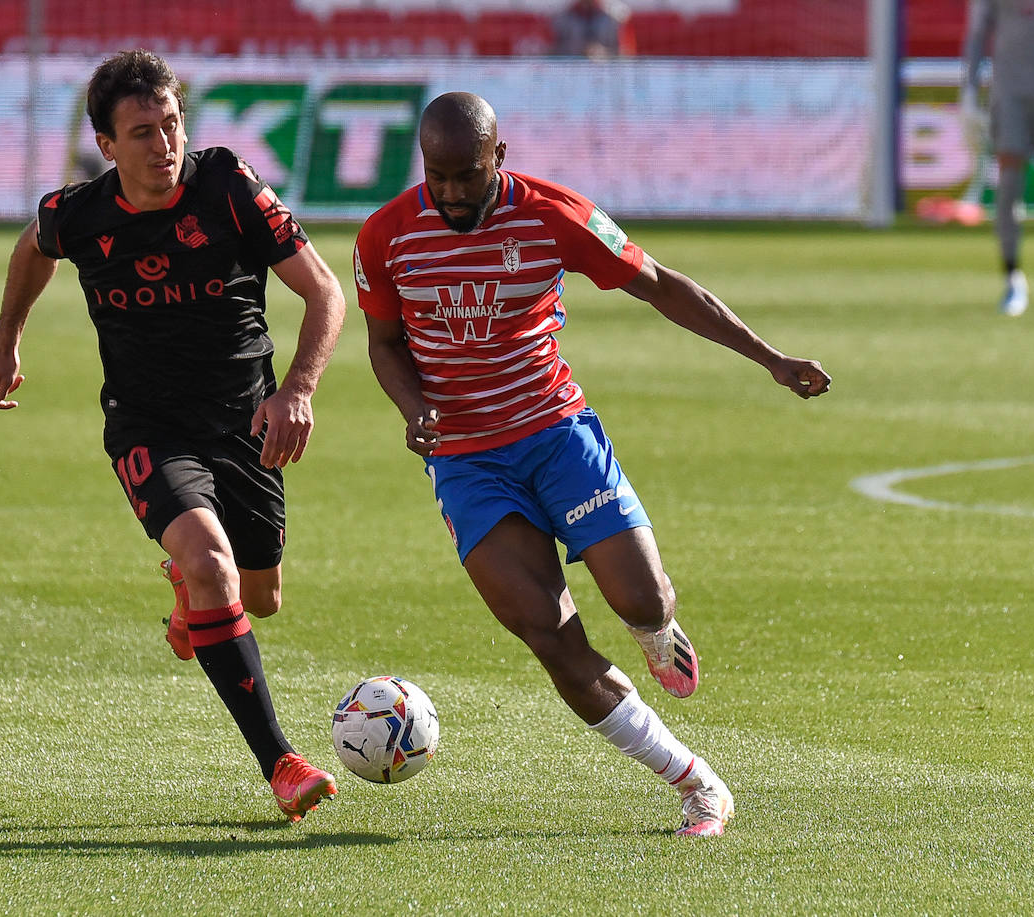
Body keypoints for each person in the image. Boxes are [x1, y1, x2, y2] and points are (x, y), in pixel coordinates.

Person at [355, 92, 831, 837]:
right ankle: (697, 783)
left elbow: (662, 284)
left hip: (556, 433)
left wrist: (767, 357)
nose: (449, 193)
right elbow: (384, 345)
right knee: (549, 635)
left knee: (641, 599)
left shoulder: (555, 215)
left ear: (500, 159)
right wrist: (415, 408)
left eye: (467, 176)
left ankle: (654, 628)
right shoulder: (385, 237)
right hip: (468, 463)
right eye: (436, 176)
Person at [0, 50, 346, 823]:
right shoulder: (80, 213)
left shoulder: (230, 186)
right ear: (107, 146)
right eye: (142, 132)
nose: (163, 143)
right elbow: (31, 248)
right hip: (149, 427)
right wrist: (6, 339)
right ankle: (281, 761)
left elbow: (323, 291)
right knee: (211, 561)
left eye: (172, 123)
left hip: (246, 421)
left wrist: (298, 390)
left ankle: (191, 592)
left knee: (259, 597)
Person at [961, 0, 1034, 316]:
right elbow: (978, 31)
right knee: (1009, 182)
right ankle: (1012, 277)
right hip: (1010, 92)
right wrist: (968, 87)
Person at [551, 0, 634, 59]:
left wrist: (604, 55)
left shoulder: (617, 17)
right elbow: (551, 53)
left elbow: (627, 54)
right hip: (571, 73)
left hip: (606, 75)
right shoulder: (562, 17)